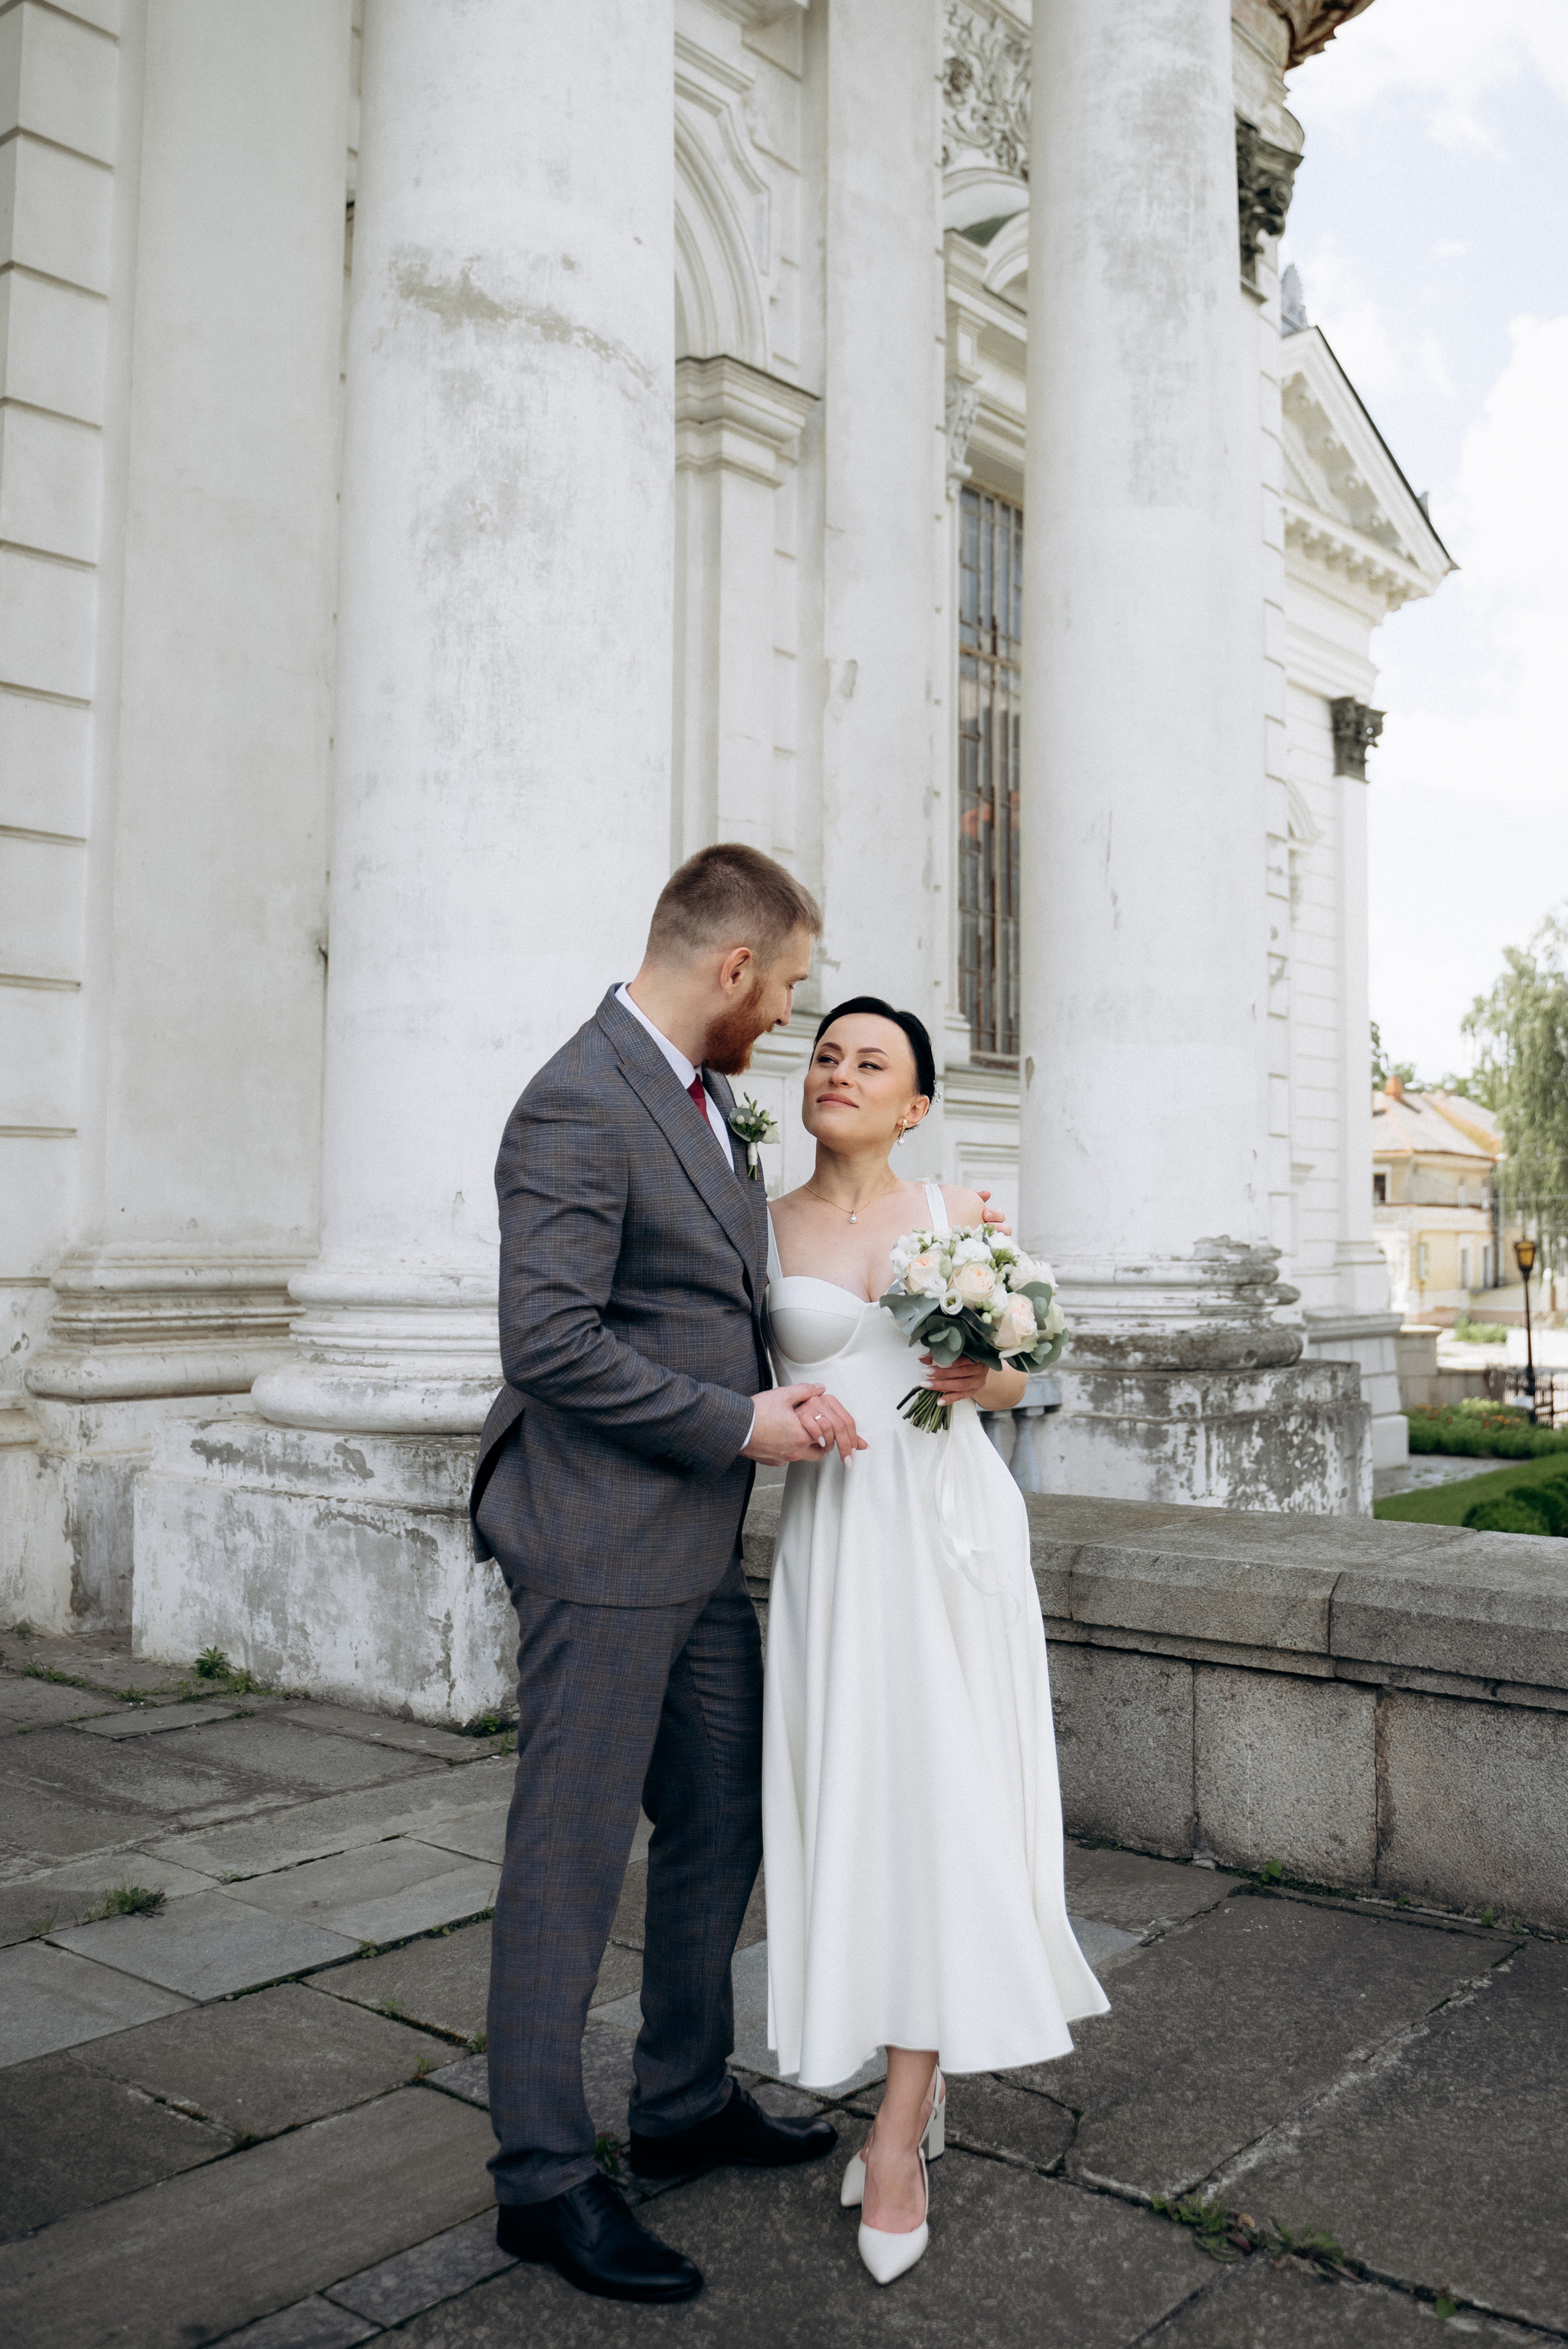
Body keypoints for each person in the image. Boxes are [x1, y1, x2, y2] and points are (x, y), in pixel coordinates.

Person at [469, 843, 862, 2306]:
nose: (782, 1028)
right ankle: (543, 2182)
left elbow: (710, 1295)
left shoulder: (698, 1098)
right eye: (784, 997)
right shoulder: (576, 1100)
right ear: (733, 969)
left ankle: (681, 2100)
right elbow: (549, 1346)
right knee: (566, 1862)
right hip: (596, 1535)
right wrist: (743, 1422)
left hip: (690, 1538)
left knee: (725, 1806)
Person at [762, 996, 1109, 2286]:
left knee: (946, 1803)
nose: (840, 1072)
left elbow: (1020, 1372)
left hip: (949, 1531)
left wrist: (984, 1374)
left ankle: (898, 2135)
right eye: (828, 1054)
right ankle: (909, 2061)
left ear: (913, 1106)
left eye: (872, 1063)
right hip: (836, 1544)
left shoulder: (958, 1220)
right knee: (862, 1809)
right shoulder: (762, 1227)